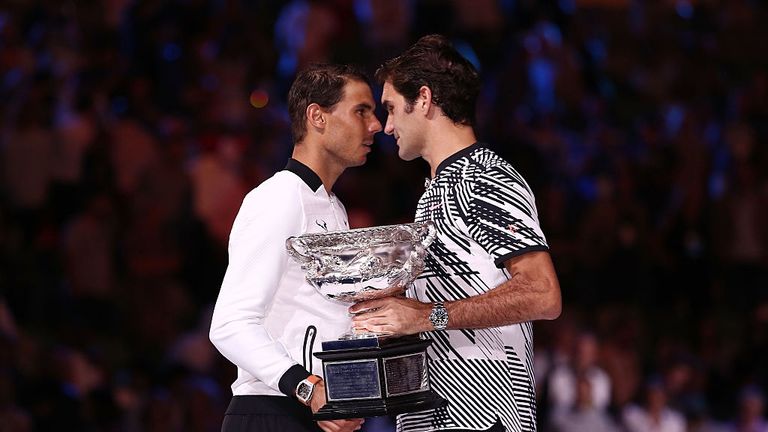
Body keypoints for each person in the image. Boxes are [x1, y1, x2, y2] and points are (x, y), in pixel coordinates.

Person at [350, 35, 562, 432]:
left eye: (392, 109)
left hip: (484, 420)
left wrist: (427, 315)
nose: (388, 126)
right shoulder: (437, 188)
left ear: (425, 99)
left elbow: (542, 293)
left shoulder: (483, 176)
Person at [209, 63, 382, 432]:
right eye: (361, 111)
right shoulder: (279, 198)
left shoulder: (332, 206)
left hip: (313, 412)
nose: (376, 125)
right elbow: (229, 324)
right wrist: (306, 387)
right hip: (273, 411)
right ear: (317, 117)